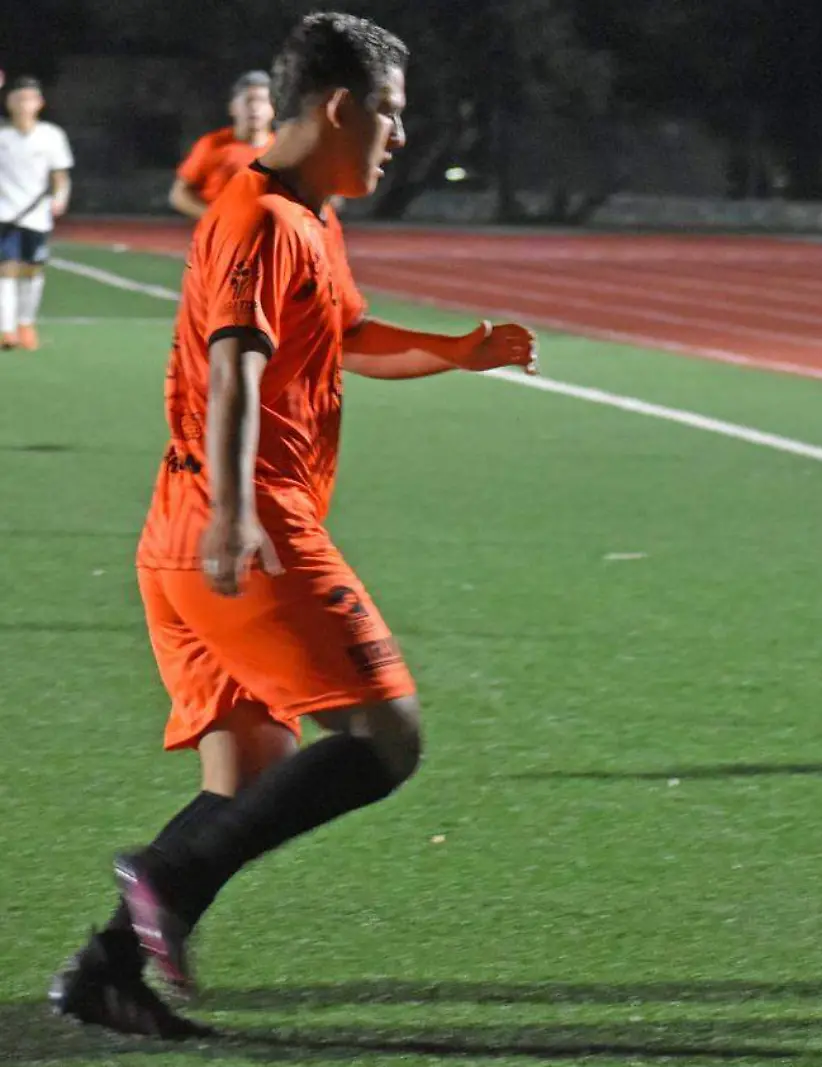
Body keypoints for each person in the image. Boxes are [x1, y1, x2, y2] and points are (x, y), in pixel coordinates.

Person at [48, 12, 539, 1039]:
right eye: (392, 117)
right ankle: (163, 875)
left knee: (250, 779)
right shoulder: (260, 217)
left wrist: (454, 351)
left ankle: (104, 970)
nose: (400, 140)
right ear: (338, 105)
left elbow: (344, 333)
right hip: (241, 525)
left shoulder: (308, 215)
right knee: (385, 734)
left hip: (190, 532)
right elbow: (236, 363)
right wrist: (237, 516)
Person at [0, 75, 73, 351]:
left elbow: (59, 175)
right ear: (9, 102)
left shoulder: (52, 136)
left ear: (40, 103)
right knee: (5, 269)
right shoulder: (2, 136)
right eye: (18, 98)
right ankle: (6, 331)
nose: (23, 104)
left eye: (29, 98)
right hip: (5, 215)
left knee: (32, 271)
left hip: (36, 216)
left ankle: (25, 323)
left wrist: (60, 198)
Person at [171, 70, 276, 219]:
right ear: (232, 108)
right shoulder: (212, 144)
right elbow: (179, 195)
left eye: (262, 101)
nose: (255, 107)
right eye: (248, 100)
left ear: (273, 109)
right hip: (220, 237)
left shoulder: (282, 150)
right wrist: (216, 219)